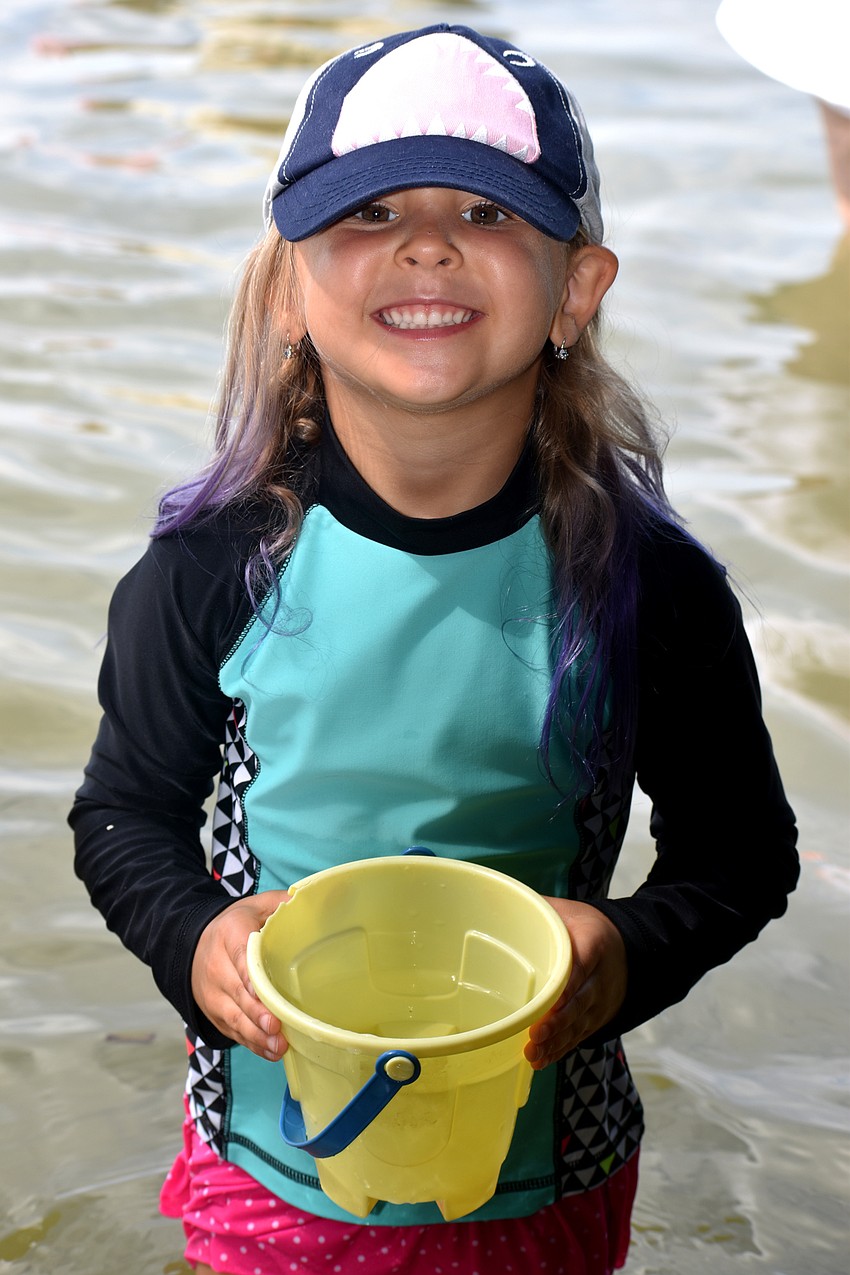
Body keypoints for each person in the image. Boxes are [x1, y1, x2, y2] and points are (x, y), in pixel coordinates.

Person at [69, 24, 799, 1275]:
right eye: (368, 213)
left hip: (544, 1175)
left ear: (576, 290)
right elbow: (124, 816)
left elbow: (740, 855)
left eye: (484, 209)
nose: (425, 243)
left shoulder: (645, 587)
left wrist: (620, 955)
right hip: (271, 1164)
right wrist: (195, 940)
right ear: (291, 287)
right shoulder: (211, 568)